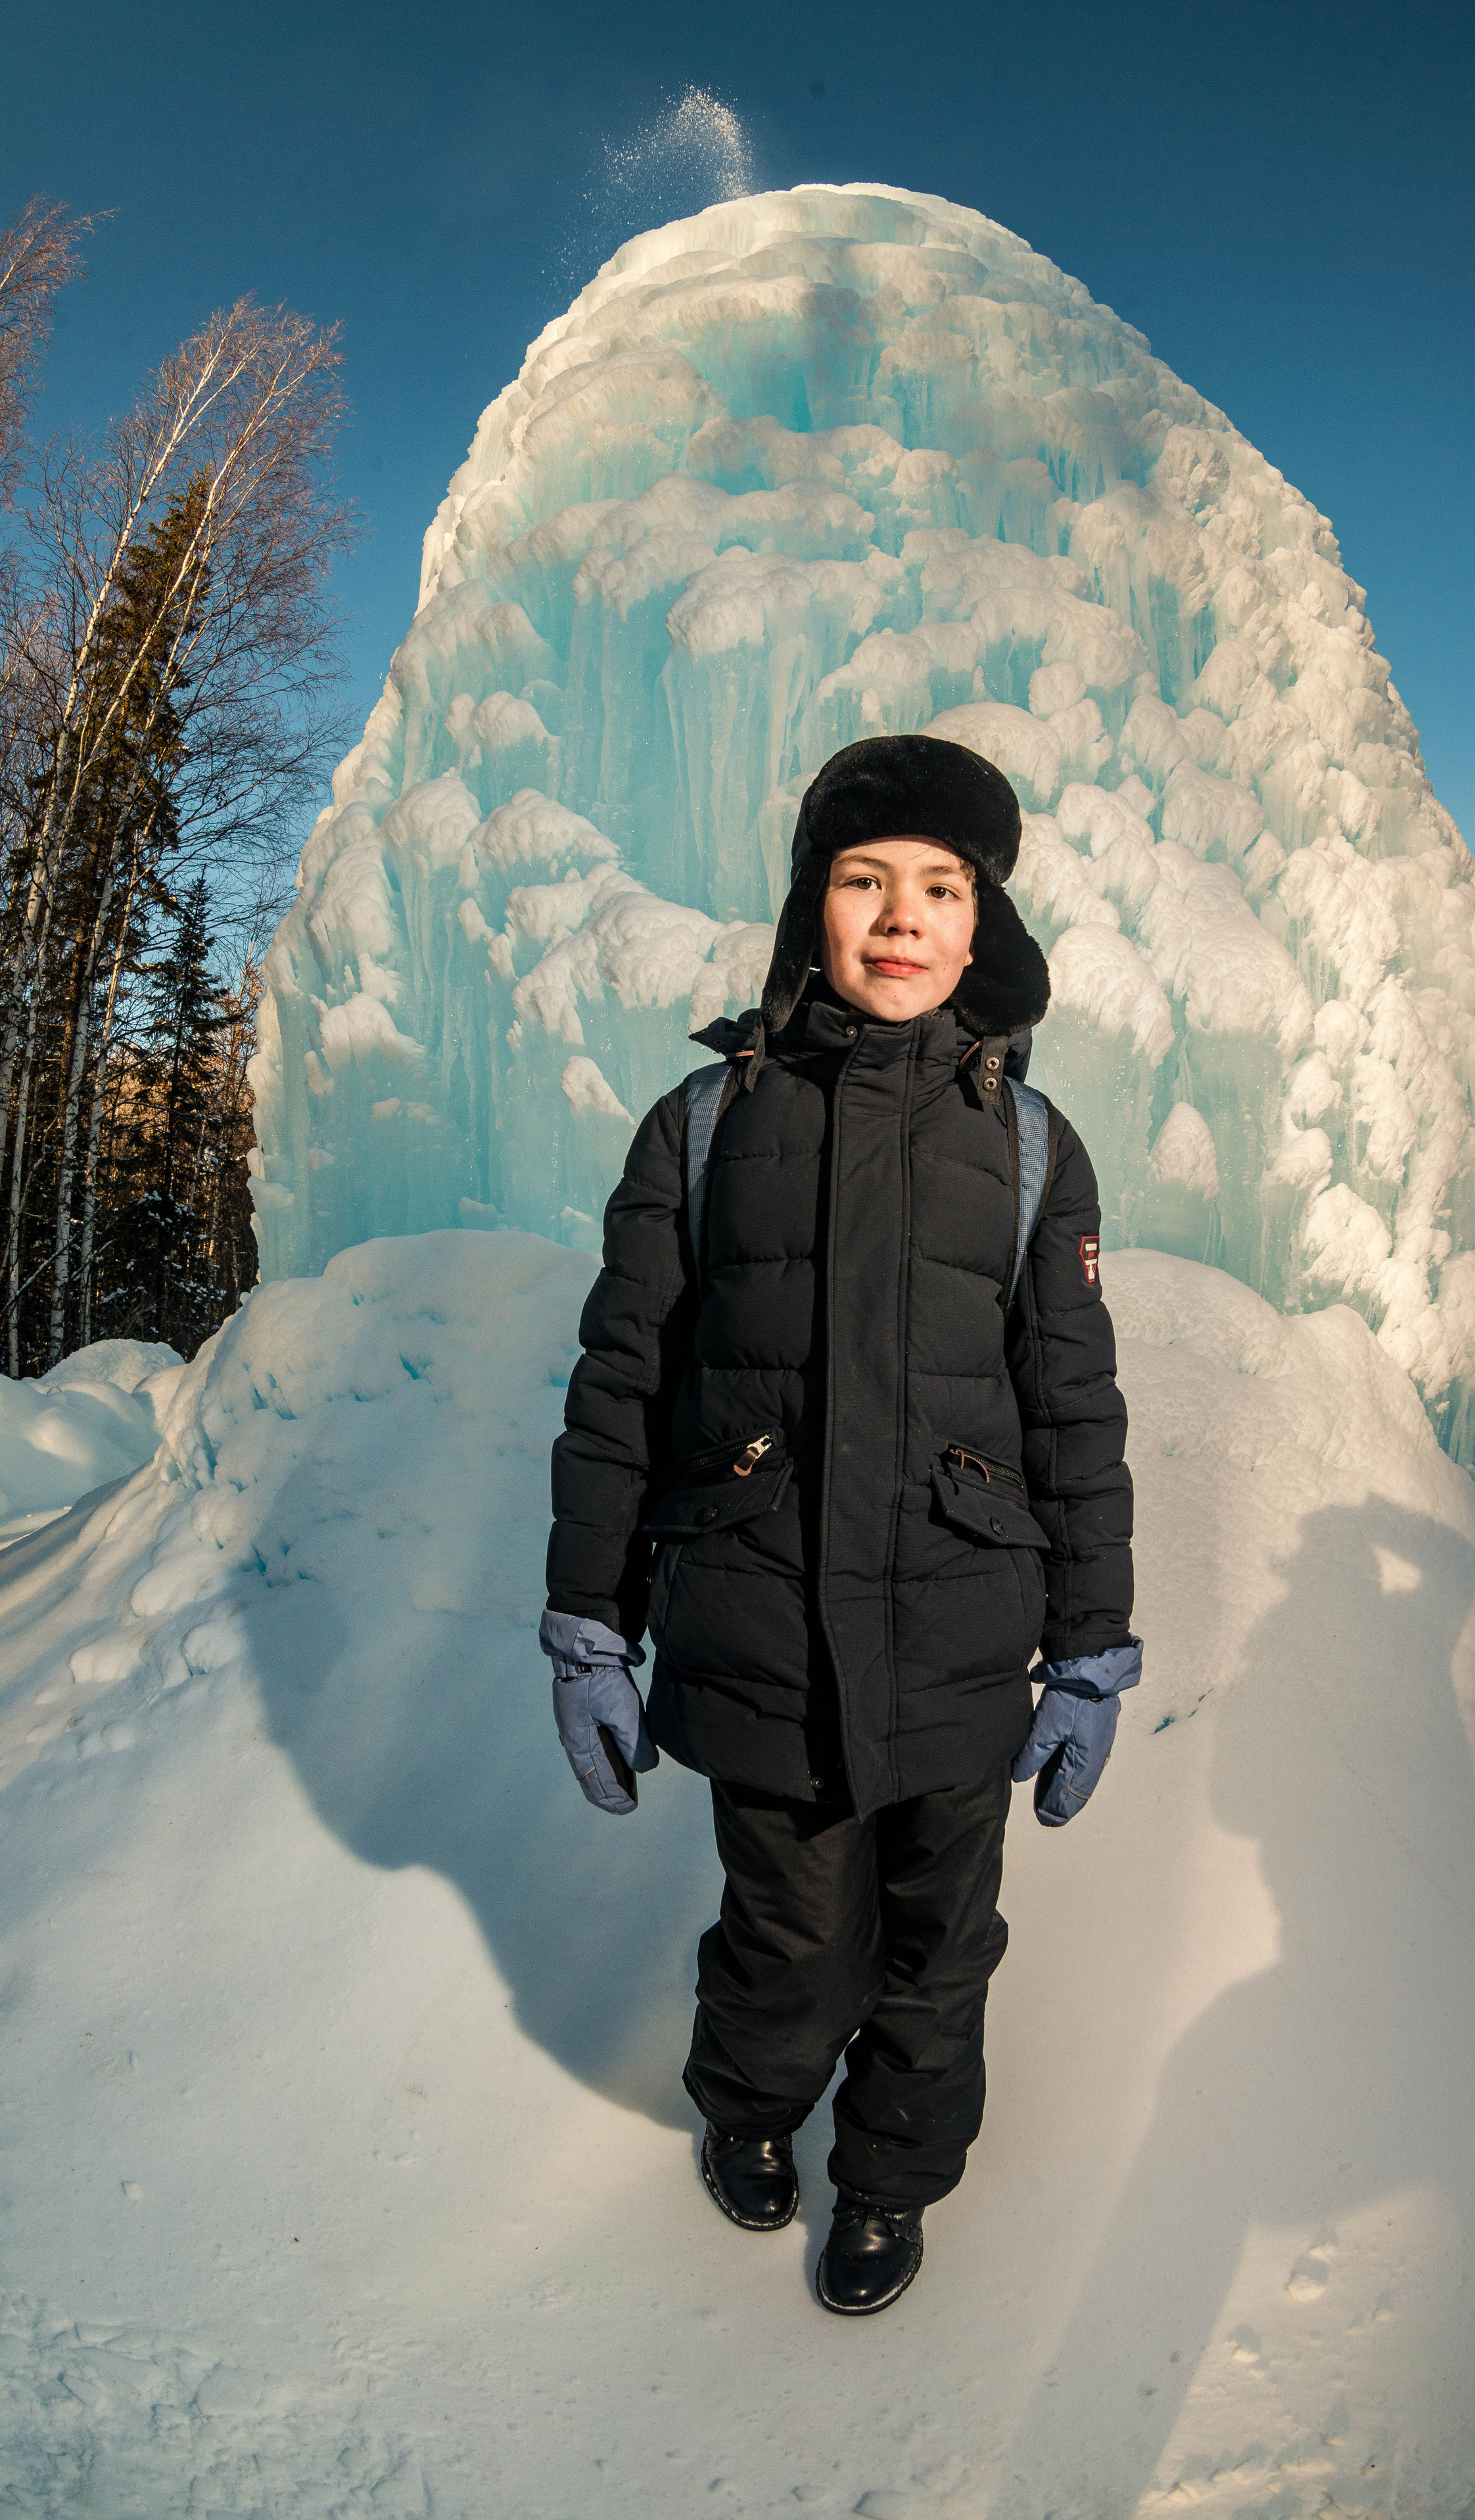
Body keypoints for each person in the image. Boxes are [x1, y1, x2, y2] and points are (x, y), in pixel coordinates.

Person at [541, 733, 1139, 2315]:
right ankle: (749, 2105)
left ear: (979, 921)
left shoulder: (1026, 1147)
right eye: (863, 881)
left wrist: (1088, 1648)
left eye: (938, 887)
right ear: (809, 907)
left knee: (943, 1946)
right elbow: (623, 1386)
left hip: (956, 1625)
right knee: (789, 1933)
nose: (898, 916)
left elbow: (1072, 1412)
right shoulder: (699, 1126)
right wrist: (589, 1619)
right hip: (760, 1627)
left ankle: (887, 2181)